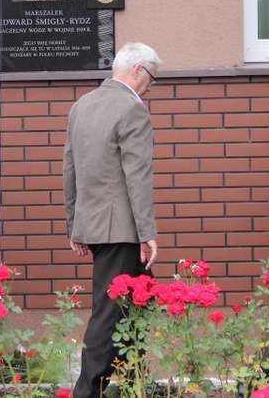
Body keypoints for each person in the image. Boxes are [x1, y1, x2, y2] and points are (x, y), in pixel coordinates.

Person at [63, 42, 161, 398]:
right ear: (137, 70)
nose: (151, 86)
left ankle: (130, 379)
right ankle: (87, 391)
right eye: (152, 78)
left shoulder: (82, 105)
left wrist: (75, 223)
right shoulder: (132, 110)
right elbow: (138, 177)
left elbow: (69, 169)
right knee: (107, 313)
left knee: (143, 298)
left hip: (96, 225)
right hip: (122, 229)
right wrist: (147, 234)